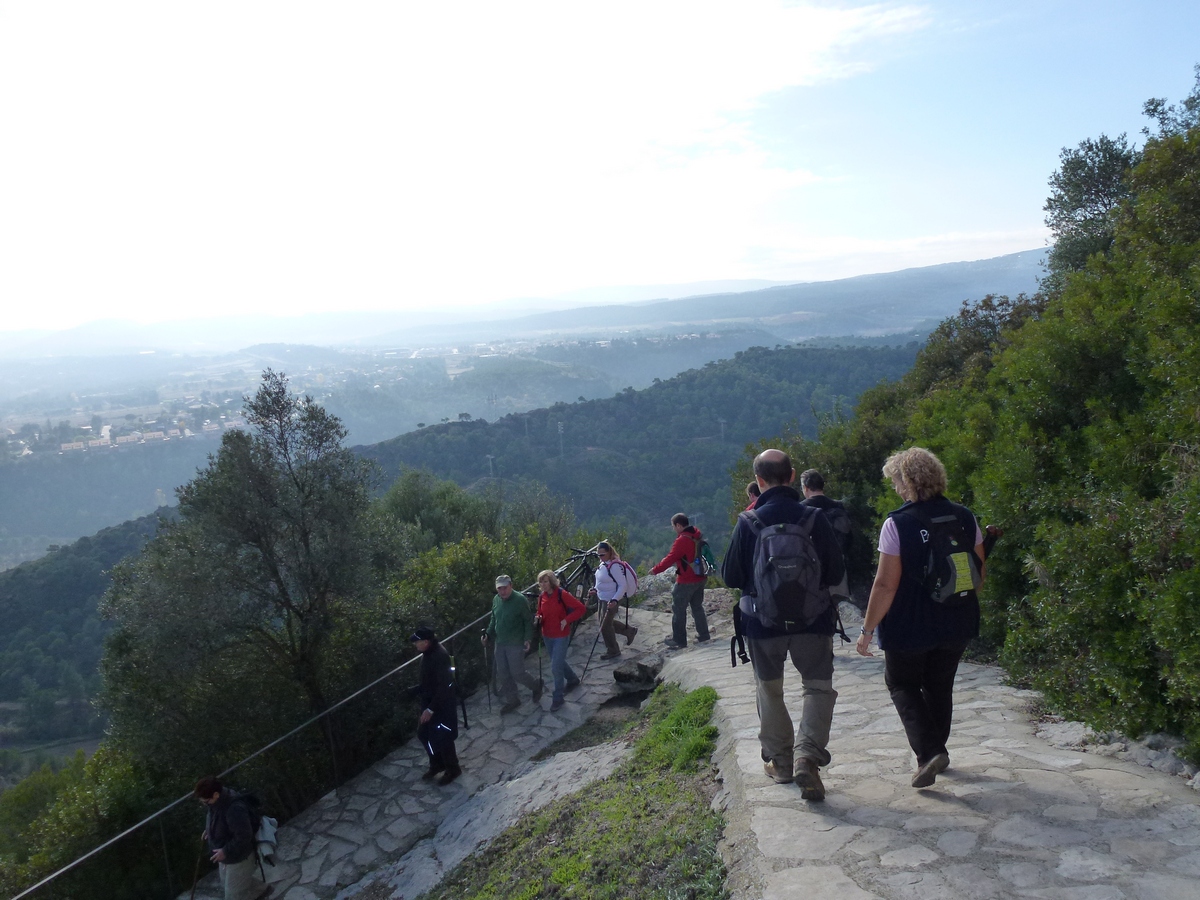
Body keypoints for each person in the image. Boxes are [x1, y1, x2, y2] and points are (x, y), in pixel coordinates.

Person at [855, 447, 985, 789]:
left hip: (909, 624)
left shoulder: (897, 523)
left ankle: (930, 753)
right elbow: (979, 575)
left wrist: (867, 629)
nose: (896, 489)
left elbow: (885, 584)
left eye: (896, 482)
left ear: (908, 482)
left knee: (901, 683)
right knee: (940, 686)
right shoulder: (965, 517)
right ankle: (934, 753)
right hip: (957, 620)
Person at [721, 449, 845, 800]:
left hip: (763, 625)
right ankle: (808, 756)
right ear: (792, 476)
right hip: (813, 621)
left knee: (770, 690)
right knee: (818, 688)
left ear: (759, 481)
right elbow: (835, 572)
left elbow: (731, 576)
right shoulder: (813, 518)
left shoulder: (749, 521)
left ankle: (782, 763)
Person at [194, 775, 271, 900]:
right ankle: (263, 890)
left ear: (216, 795)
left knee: (232, 895)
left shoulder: (234, 809)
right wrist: (210, 830)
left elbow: (244, 835)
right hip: (227, 857)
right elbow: (217, 819)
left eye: (206, 802)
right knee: (229, 883)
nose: (204, 804)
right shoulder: (217, 802)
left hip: (240, 857)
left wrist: (225, 851)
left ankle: (261, 891)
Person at [482, 574, 543, 713]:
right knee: (503, 673)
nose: (502, 591)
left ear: (511, 586)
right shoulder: (496, 599)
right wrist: (488, 634)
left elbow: (527, 621)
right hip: (500, 642)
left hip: (516, 642)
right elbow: (494, 619)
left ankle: (536, 685)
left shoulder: (520, 600)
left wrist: (528, 639)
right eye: (499, 588)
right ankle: (513, 700)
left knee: (517, 672)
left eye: (505, 588)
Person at [650, 513, 711, 649]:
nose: (673, 529)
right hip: (700, 576)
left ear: (678, 525)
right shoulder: (696, 534)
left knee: (678, 609)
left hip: (686, 579)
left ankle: (679, 640)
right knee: (697, 607)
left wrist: (655, 570)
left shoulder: (682, 540)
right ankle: (704, 634)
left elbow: (671, 558)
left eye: (673, 526)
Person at [411, 626, 461, 785]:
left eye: (417, 642)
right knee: (424, 734)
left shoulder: (439, 656)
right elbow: (430, 681)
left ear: (426, 642)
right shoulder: (428, 654)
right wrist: (415, 690)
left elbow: (444, 686)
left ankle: (453, 769)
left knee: (443, 736)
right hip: (430, 701)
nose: (415, 644)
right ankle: (437, 763)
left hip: (441, 704)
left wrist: (430, 709)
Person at [535, 570, 586, 711]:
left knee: (555, 667)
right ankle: (572, 679)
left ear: (552, 582)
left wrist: (566, 620)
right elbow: (540, 612)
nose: (543, 585)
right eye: (541, 582)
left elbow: (581, 608)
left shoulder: (561, 594)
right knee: (558, 662)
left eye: (545, 581)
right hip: (547, 635)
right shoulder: (542, 596)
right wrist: (538, 617)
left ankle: (558, 698)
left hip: (561, 635)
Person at [800, 468, 852, 602]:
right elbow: (849, 536)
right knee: (838, 604)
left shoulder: (802, 509)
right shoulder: (838, 506)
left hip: (811, 566)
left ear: (805, 487)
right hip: (838, 564)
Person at [589, 541, 639, 660]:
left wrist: (615, 600)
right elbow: (600, 581)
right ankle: (629, 631)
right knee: (605, 623)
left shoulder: (614, 566)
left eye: (602, 554)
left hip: (611, 599)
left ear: (609, 552)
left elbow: (623, 585)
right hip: (602, 598)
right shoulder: (603, 564)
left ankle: (613, 650)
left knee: (605, 626)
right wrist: (595, 589)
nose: (600, 557)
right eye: (598, 555)